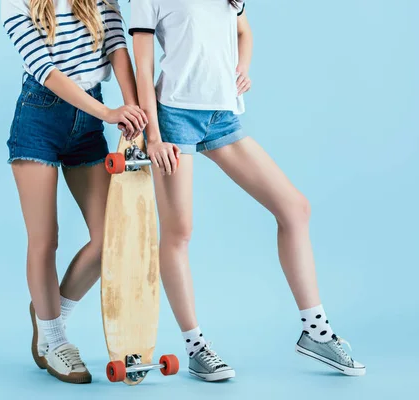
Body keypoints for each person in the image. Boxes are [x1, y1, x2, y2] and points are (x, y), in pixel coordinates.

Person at [129, 0, 365, 381]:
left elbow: (243, 30)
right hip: (175, 115)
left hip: (222, 113)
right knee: (179, 232)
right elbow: (142, 67)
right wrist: (153, 137)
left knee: (294, 208)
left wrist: (243, 68)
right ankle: (195, 348)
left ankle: (315, 332)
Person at [1, 0, 147, 384]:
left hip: (89, 120)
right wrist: (109, 114)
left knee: (109, 241)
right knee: (45, 239)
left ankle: (52, 316)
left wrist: (132, 110)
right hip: (39, 118)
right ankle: (54, 340)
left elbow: (117, 47)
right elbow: (46, 72)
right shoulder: (16, 2)